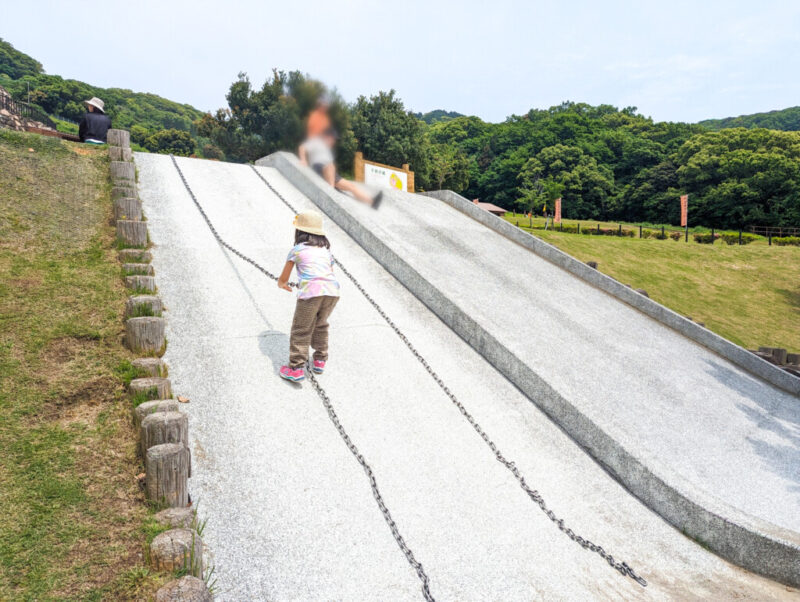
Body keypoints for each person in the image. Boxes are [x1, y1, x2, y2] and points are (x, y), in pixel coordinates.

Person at [277, 210, 340, 382]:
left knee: (301, 329)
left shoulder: (296, 250)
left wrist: (283, 284)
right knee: (321, 324)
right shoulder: (326, 251)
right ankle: (320, 359)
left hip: (311, 293)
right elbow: (328, 274)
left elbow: (283, 279)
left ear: (299, 232)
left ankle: (296, 368)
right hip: (332, 292)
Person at [298, 128, 382, 209]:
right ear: (327, 136)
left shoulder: (327, 150)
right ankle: (329, 194)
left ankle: (372, 202)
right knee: (330, 165)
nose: (333, 141)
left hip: (330, 173)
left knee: (351, 186)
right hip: (320, 169)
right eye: (333, 139)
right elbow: (302, 147)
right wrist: (303, 160)